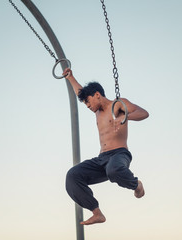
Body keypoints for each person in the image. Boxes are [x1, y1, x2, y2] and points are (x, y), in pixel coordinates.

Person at [63, 68, 149, 225]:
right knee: (72, 176)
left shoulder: (117, 105)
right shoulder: (97, 111)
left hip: (119, 155)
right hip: (101, 159)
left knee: (114, 170)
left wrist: (125, 117)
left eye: (88, 101)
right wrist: (70, 77)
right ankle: (97, 213)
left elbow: (144, 113)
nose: (87, 105)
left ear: (97, 95)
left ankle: (137, 185)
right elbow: (80, 92)